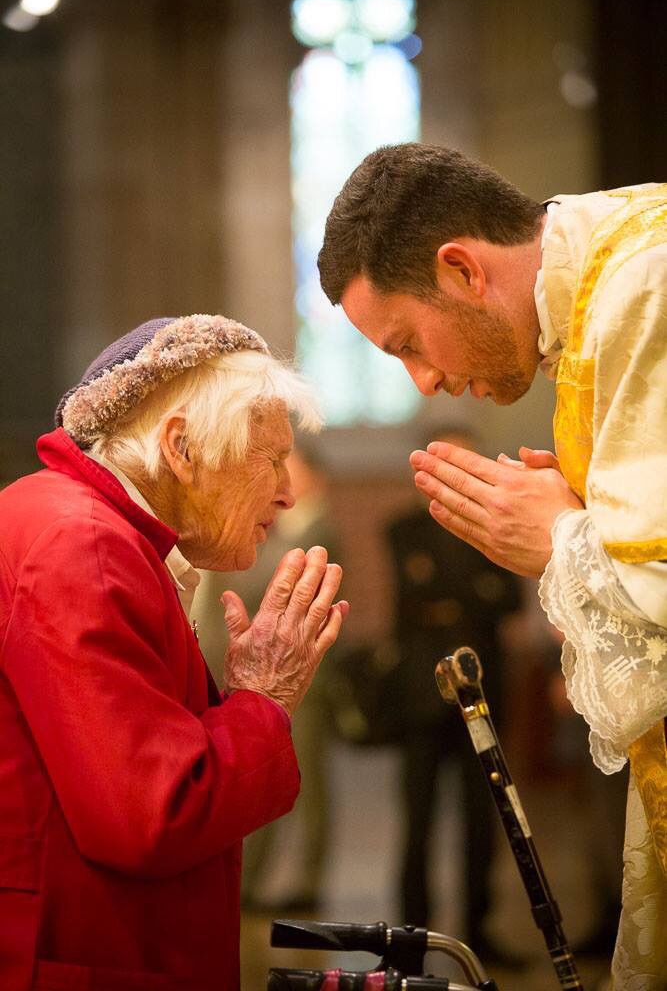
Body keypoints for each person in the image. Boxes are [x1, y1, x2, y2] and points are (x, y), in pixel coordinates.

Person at [318, 144, 666, 989]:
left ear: (463, 269)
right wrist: (585, 519)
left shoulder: (642, 285)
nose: (426, 381)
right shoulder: (600, 287)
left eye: (407, 342)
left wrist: (558, 542)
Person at [0, 313, 349, 991]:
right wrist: (263, 701)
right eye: (271, 458)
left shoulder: (70, 518)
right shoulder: (85, 545)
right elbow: (152, 818)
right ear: (182, 448)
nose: (287, 489)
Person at [385, 425, 521, 962]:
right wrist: (469, 597)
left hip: (482, 692)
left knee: (482, 817)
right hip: (422, 694)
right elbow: (416, 595)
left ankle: (478, 930)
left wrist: (448, 596)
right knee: (417, 818)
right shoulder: (403, 529)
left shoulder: (493, 529)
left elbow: (506, 599)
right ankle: (411, 934)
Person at [192, 440, 341, 913]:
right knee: (256, 771)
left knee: (305, 781)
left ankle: (306, 881)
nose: (282, 485)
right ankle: (251, 879)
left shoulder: (318, 533)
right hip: (241, 669)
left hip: (297, 680)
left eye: (290, 469)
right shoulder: (272, 532)